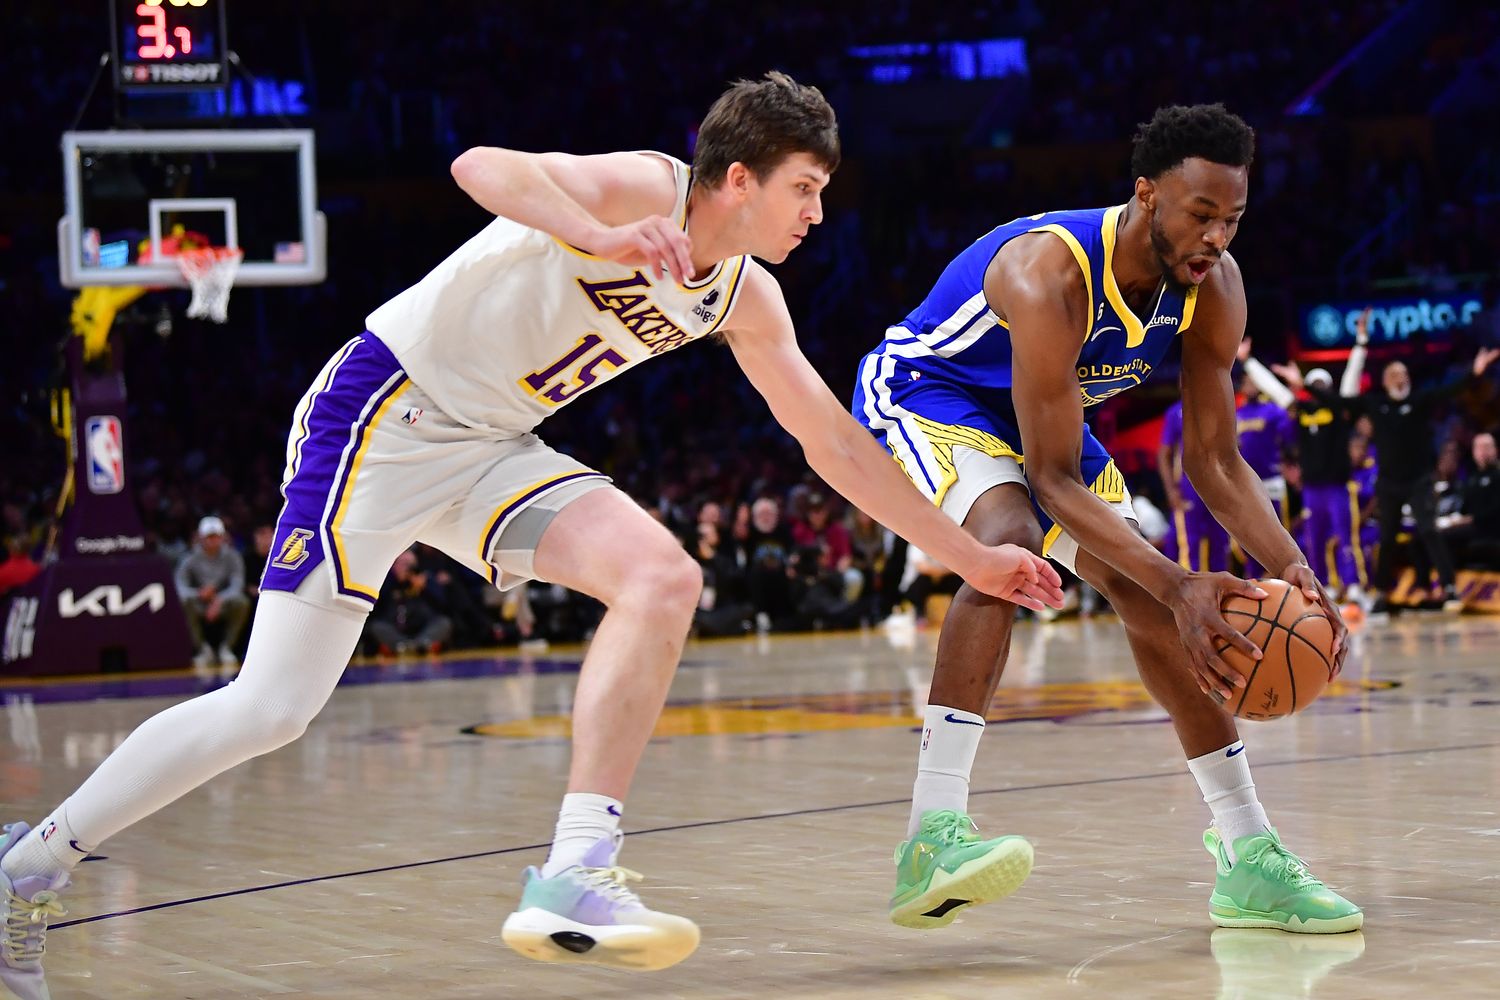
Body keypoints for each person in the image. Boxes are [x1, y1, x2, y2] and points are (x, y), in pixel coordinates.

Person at [0, 72, 1063, 995]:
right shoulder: (646, 186)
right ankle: (30, 867)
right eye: (805, 189)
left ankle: (575, 870)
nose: (817, 214)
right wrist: (593, 233)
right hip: (382, 412)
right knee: (272, 707)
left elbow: (831, 442)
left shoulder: (744, 296)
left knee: (661, 576)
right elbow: (478, 163)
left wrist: (970, 556)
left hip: (488, 447)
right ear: (737, 178)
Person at [853, 104, 1360, 935]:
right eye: (1200, 215)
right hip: (931, 392)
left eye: (1231, 220)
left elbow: (1216, 462)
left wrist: (1295, 567)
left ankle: (1249, 857)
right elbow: (1050, 480)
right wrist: (1182, 582)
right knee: (1010, 546)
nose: (1215, 239)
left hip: (1045, 420)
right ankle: (930, 837)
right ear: (1147, 197)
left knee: (1158, 603)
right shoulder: (1047, 274)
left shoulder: (1214, 289)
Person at [1337, 318, 1500, 612]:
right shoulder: (1375, 403)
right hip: (1389, 483)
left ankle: (1450, 589)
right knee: (1387, 538)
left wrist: (1474, 373)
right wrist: (1359, 344)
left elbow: (1449, 390)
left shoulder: (1421, 399)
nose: (1401, 379)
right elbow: (1342, 399)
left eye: (1404, 374)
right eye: (1394, 375)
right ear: (1386, 381)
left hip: (1419, 480)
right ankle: (1382, 595)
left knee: (1429, 531)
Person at [1159, 398, 1231, 572]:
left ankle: (1224, 594)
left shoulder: (1219, 406)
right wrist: (1170, 491)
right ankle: (1192, 593)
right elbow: (1164, 454)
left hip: (1217, 485)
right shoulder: (1175, 412)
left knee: (1220, 542)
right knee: (1190, 544)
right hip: (1188, 488)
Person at [173, 515, 250, 668]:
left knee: (242, 602)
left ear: (222, 537)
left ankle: (226, 648)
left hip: (224, 603)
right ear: (200, 538)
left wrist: (219, 599)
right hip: (199, 604)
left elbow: (237, 585)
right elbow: (179, 587)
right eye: (208, 537)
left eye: (215, 537)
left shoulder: (232, 557)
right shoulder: (190, 559)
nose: (212, 541)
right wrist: (199, 594)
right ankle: (202, 650)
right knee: (183, 603)